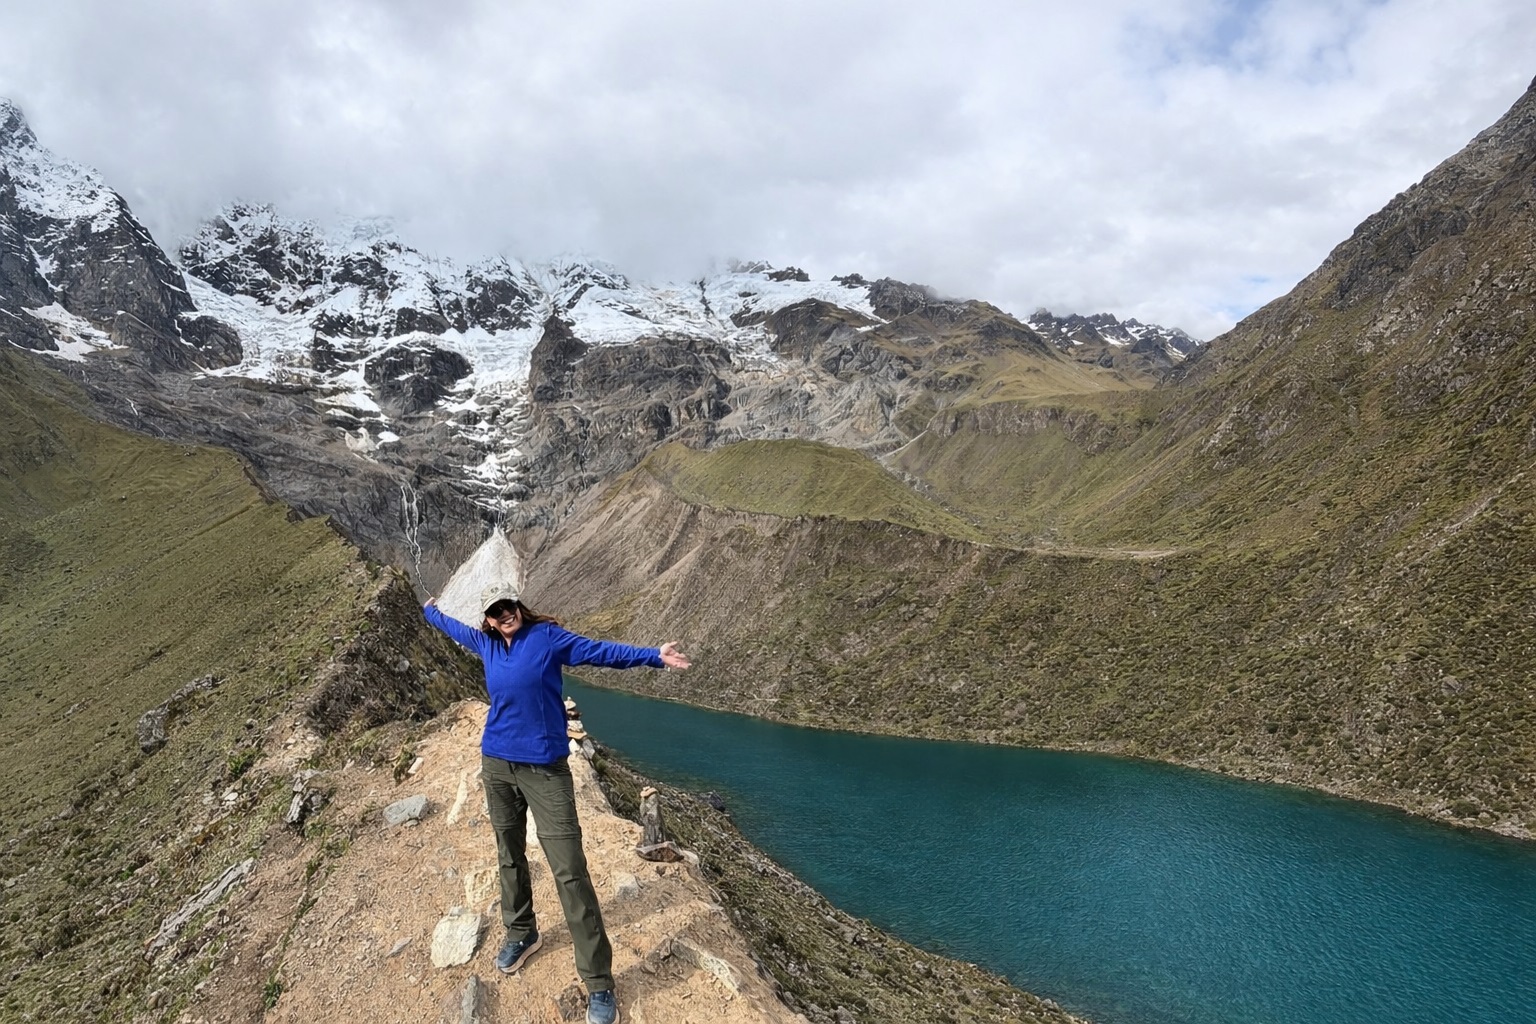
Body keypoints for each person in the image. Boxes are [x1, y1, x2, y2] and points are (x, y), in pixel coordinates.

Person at [423, 581, 690, 1024]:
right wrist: (430, 610)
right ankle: (521, 932)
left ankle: (599, 983)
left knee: (569, 870)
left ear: (519, 606)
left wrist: (653, 655)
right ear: (487, 618)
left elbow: (599, 651)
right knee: (508, 855)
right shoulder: (484, 642)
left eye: (509, 605)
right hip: (497, 764)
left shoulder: (547, 639)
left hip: (545, 771)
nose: (504, 614)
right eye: (495, 610)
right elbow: (451, 627)